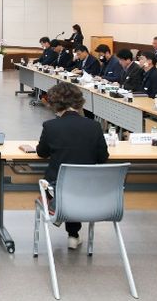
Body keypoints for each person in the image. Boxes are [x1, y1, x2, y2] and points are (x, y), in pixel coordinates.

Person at [36, 82, 109, 250]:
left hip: (57, 190)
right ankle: (73, 234)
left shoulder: (51, 126)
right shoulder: (94, 126)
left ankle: (60, 213)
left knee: (64, 184)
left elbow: (42, 152)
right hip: (88, 190)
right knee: (75, 181)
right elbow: (102, 157)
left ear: (55, 103)